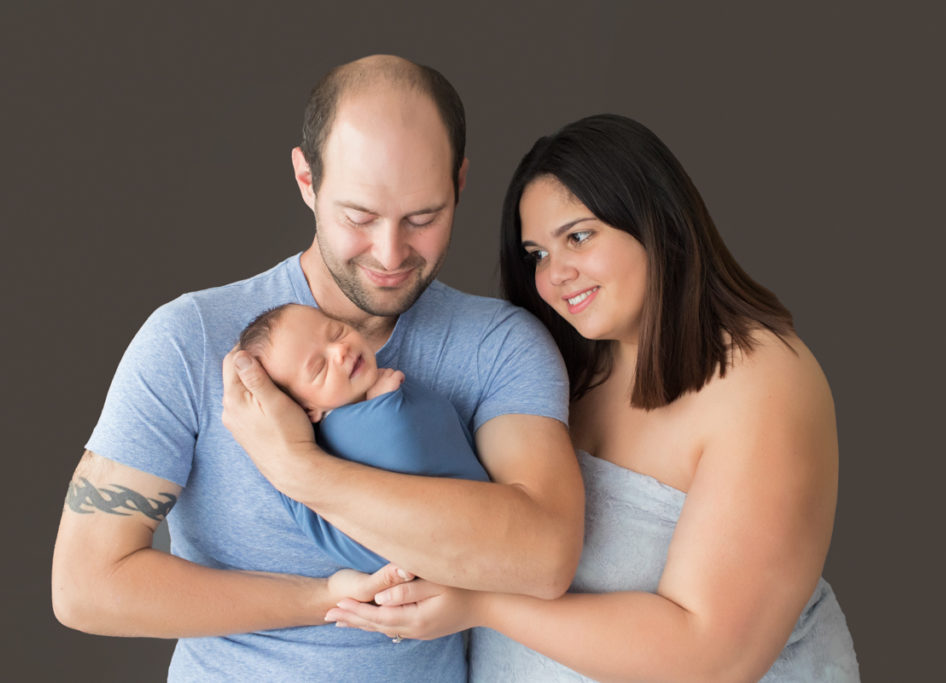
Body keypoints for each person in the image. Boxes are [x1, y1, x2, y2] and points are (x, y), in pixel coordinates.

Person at [51, 55, 584, 681]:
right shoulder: (191, 338)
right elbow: (88, 585)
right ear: (307, 180)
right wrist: (323, 598)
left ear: (460, 183)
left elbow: (544, 558)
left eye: (424, 218)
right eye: (359, 218)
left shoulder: (498, 345)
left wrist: (299, 469)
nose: (390, 253)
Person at [326, 114, 860, 681]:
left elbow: (713, 658)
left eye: (578, 237)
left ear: (657, 222)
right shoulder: (564, 368)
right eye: (537, 255)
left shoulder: (762, 384)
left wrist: (482, 603)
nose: (556, 275)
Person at [237, 302, 489, 573]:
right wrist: (385, 409)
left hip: (473, 530)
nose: (340, 351)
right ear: (308, 410)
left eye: (336, 333)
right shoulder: (336, 440)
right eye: (320, 367)